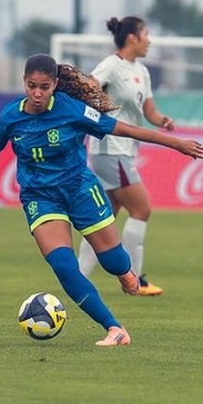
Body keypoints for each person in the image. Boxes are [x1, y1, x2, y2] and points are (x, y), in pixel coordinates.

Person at [0, 54, 203, 346]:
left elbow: (125, 129)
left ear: (55, 84)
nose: (38, 93)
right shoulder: (9, 116)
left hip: (79, 189)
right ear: (24, 83)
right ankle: (115, 329)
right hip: (40, 197)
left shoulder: (72, 110)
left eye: (44, 86)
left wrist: (178, 143)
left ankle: (125, 272)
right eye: (32, 86)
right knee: (65, 267)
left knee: (113, 260)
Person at [77, 16, 173, 296]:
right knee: (142, 209)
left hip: (125, 151)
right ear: (133, 37)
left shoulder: (142, 71)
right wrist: (97, 107)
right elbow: (87, 87)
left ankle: (79, 275)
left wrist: (162, 121)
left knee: (103, 217)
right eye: (146, 34)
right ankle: (136, 279)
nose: (150, 41)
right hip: (109, 148)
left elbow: (149, 112)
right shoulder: (111, 65)